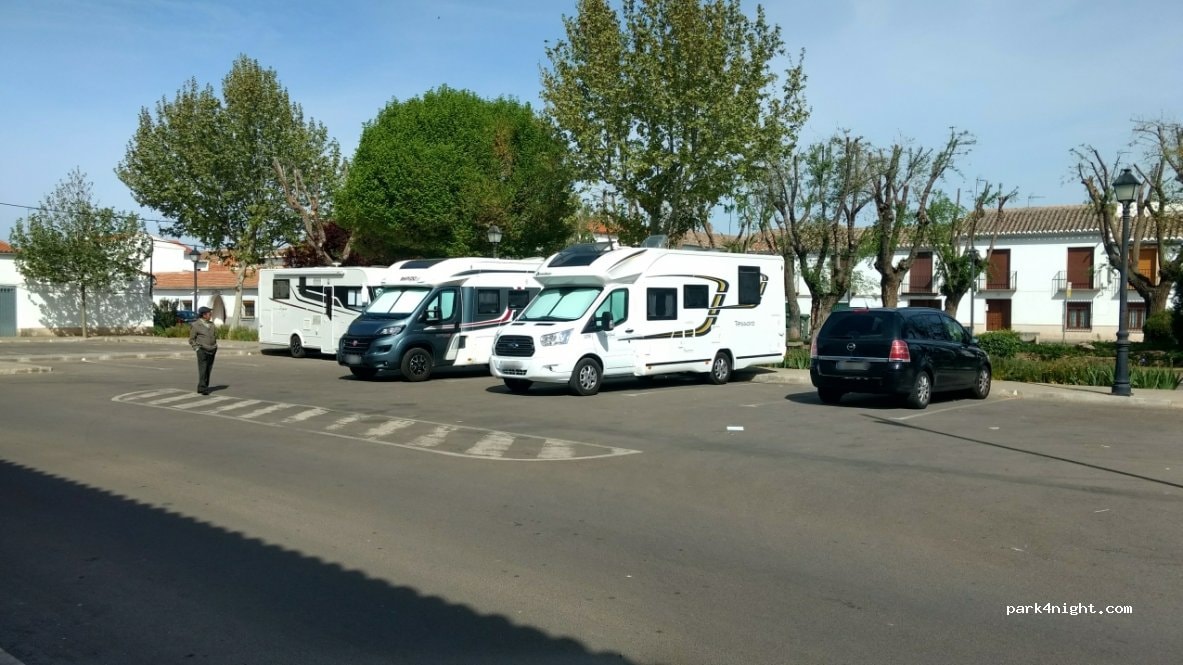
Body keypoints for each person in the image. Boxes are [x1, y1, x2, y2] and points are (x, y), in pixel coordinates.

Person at [188, 306, 218, 394]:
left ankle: (205, 386)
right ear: (204, 315)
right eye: (209, 313)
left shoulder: (211, 324)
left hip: (212, 349)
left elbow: (214, 336)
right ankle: (202, 388)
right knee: (203, 369)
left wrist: (215, 346)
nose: (210, 315)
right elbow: (191, 339)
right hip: (202, 349)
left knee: (209, 369)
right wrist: (197, 348)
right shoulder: (196, 325)